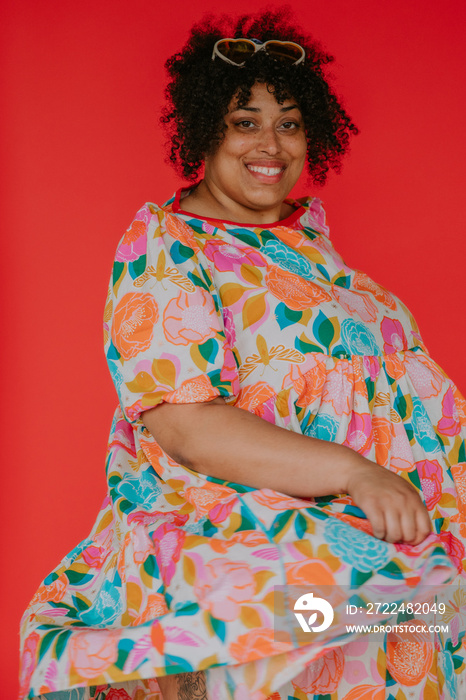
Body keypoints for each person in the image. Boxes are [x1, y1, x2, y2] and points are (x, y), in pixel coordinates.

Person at [19, 8, 466, 700]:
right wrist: (360, 474)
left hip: (407, 565)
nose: (273, 144)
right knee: (281, 664)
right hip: (286, 556)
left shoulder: (309, 246)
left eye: (289, 122)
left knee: (399, 654)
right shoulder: (170, 247)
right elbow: (188, 427)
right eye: (245, 120)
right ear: (205, 129)